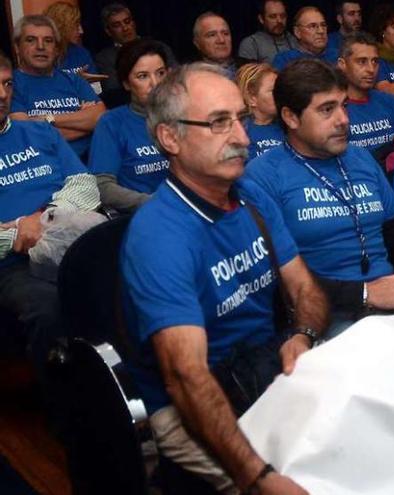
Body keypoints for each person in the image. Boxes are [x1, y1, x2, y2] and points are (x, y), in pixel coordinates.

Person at [122, 62, 328, 494]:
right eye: (219, 123)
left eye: (241, 119)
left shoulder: (251, 196)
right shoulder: (159, 236)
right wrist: (258, 476)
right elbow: (186, 378)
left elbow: (304, 286)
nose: (242, 138)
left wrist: (304, 334)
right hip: (193, 402)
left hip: (263, 367)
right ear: (169, 137)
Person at [246, 59, 394, 336]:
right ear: (291, 117)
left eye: (344, 105)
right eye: (327, 110)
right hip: (328, 311)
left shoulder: (360, 158)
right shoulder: (262, 176)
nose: (344, 120)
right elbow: (277, 280)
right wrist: (365, 292)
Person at [0, 51, 100, 384]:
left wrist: (38, 221)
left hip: (70, 238)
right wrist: (15, 235)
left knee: (128, 272)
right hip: (12, 264)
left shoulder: (38, 133)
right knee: (50, 308)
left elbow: (85, 186)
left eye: (7, 84)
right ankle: (68, 408)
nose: (2, 95)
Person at [89, 39, 170, 212]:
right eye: (143, 76)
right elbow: (103, 186)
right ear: (126, 83)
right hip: (138, 215)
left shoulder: (184, 117)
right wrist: (151, 203)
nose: (155, 84)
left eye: (161, 73)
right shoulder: (112, 123)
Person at [10, 15, 106, 159]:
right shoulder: (9, 84)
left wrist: (47, 119)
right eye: (31, 40)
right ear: (17, 47)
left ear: (56, 49)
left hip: (92, 163)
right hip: (46, 168)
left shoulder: (73, 80)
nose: (40, 46)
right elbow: (28, 134)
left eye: (48, 41)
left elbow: (101, 118)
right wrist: (86, 125)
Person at [337, 33, 394, 165]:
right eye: (362, 61)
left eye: (375, 61)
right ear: (342, 64)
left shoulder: (390, 102)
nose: (371, 69)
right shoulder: (333, 110)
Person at [94, 3, 176, 102]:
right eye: (117, 25)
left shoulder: (158, 47)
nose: (125, 28)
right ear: (108, 31)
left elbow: (176, 76)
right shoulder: (104, 58)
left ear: (133, 23)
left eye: (127, 21)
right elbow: (113, 90)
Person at [236, 63, 283, 161]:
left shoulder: (288, 126)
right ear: (251, 98)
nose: (281, 95)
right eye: (273, 91)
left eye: (281, 90)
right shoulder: (240, 132)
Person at [272, 7, 338, 70]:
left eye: (323, 25)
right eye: (313, 26)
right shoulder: (285, 60)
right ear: (297, 32)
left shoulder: (337, 56)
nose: (321, 31)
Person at [44, 2, 98, 79]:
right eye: (76, 26)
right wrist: (76, 81)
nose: (81, 31)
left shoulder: (82, 53)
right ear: (61, 26)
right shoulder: (41, 55)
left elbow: (96, 88)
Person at [192, 12, 245, 80]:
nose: (221, 40)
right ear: (197, 43)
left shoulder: (251, 68)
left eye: (225, 34)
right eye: (212, 35)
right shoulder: (190, 77)